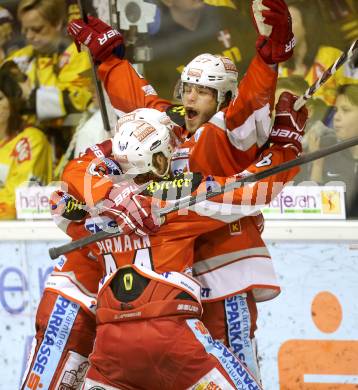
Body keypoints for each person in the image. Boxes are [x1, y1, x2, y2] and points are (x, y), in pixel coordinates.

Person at [66, 0, 296, 380]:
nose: (189, 97)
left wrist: (269, 61)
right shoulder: (174, 130)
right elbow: (142, 102)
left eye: (202, 92)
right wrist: (110, 60)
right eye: (188, 88)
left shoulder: (225, 131)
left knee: (236, 372)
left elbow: (251, 101)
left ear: (222, 100)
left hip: (225, 276)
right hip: (179, 286)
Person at [57, 99, 306, 389]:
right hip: (172, 336)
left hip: (110, 349)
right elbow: (254, 190)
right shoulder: (176, 198)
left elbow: (69, 187)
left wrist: (116, 154)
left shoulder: (94, 207)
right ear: (159, 160)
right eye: (167, 151)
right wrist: (287, 144)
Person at [6, 0, 93, 129]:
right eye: (25, 29)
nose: (29, 36)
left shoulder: (78, 54)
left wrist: (28, 97)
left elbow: (78, 100)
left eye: (37, 29)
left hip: (71, 140)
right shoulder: (19, 58)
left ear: (57, 23)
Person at [0, 63, 52, 220]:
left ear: (13, 103)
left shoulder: (31, 140)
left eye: (0, 98)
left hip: (21, 233)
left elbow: (18, 198)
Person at [309, 84, 358, 218]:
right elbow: (312, 210)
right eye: (336, 110)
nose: (336, 117)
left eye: (346, 110)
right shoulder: (327, 154)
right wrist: (317, 164)